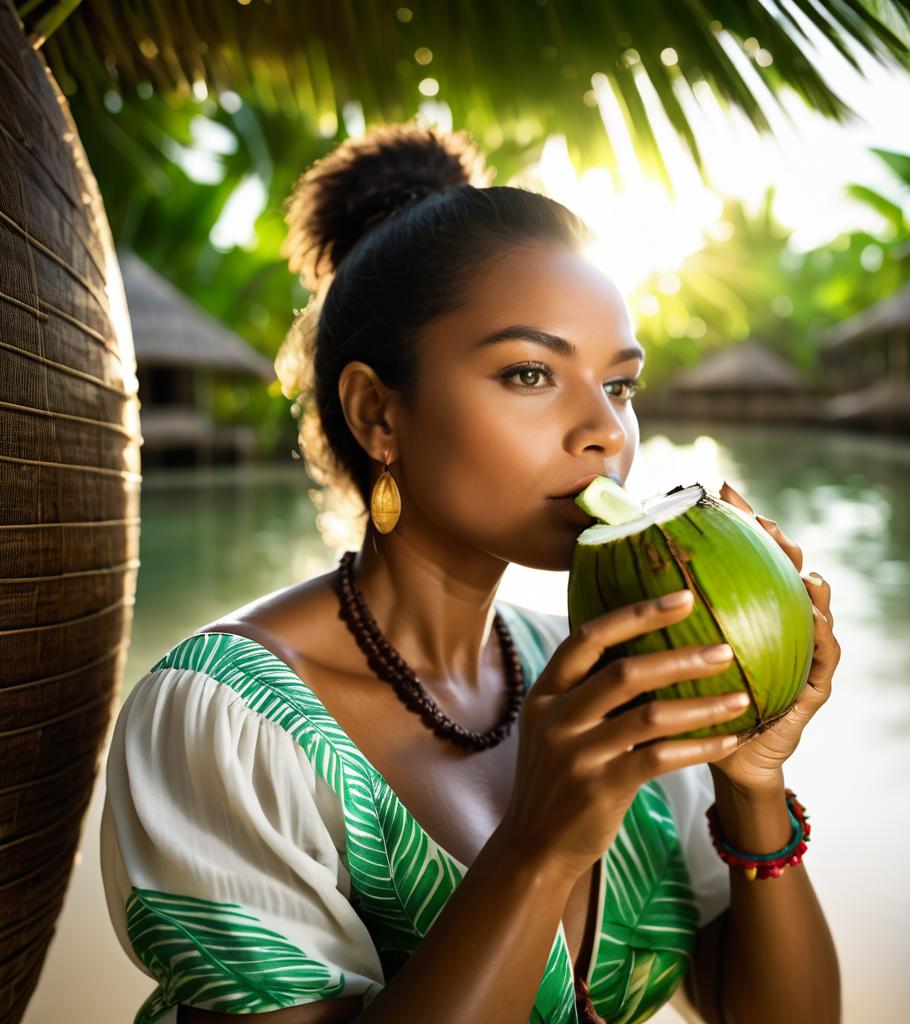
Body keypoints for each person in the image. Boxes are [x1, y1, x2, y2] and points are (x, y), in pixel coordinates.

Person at [100, 119, 842, 1024]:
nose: (605, 433)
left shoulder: (608, 675)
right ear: (379, 413)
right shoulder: (224, 723)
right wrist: (536, 847)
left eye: (620, 385)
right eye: (531, 374)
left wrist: (750, 781)